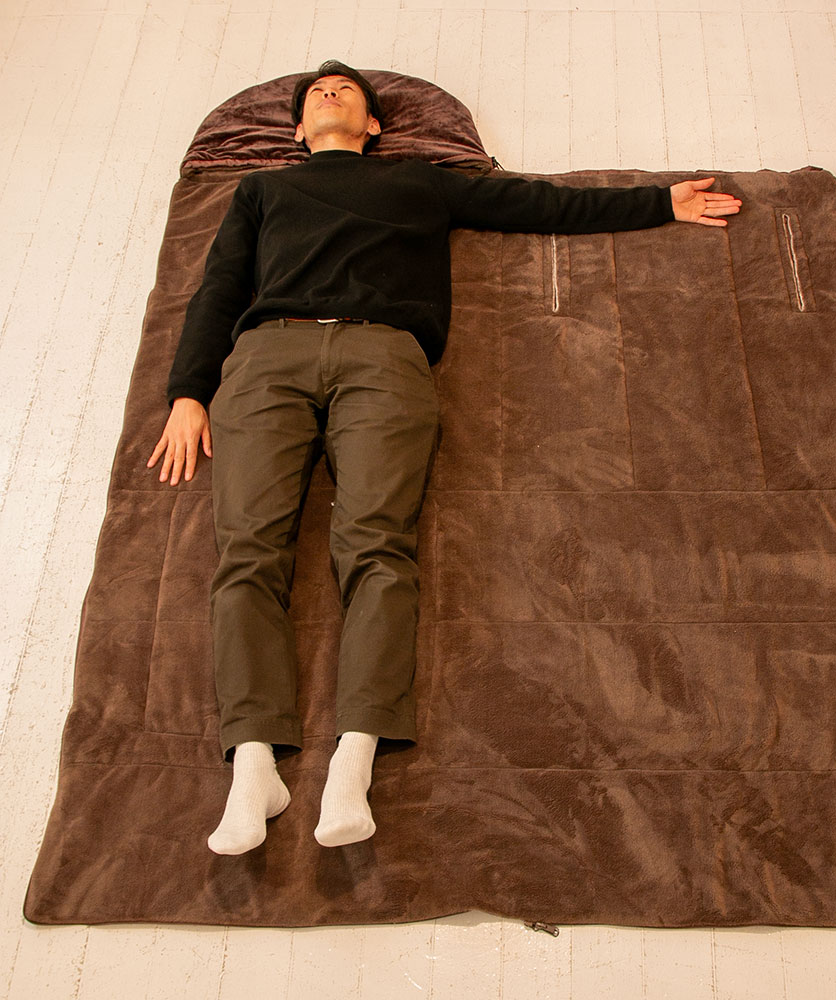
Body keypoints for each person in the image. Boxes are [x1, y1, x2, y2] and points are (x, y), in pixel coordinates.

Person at [147, 60, 742, 856]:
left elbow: (538, 204)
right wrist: (188, 391)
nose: (330, 92)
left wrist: (660, 203)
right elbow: (218, 287)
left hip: (385, 358)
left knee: (376, 546)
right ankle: (256, 763)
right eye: (316, 93)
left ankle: (354, 756)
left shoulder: (419, 181)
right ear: (296, 130)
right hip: (267, 357)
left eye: (346, 90)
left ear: (374, 125)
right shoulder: (262, 191)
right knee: (247, 549)